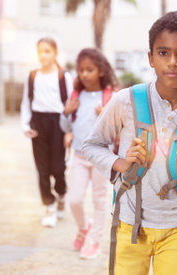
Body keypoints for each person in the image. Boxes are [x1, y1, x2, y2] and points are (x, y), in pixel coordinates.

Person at [82, 11, 177, 274]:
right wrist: (121, 162)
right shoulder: (125, 101)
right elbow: (91, 145)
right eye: (163, 53)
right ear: (150, 58)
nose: (172, 62)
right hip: (129, 225)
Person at [59, 48, 118, 258]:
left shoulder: (111, 98)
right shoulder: (76, 96)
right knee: (74, 199)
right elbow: (66, 128)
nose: (84, 74)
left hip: (101, 158)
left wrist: (106, 117)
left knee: (100, 200)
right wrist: (66, 112)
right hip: (80, 157)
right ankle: (84, 227)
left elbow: (117, 131)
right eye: (81, 70)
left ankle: (94, 242)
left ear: (101, 71)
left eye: (89, 70)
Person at [20, 37, 73, 228]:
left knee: (58, 167)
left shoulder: (63, 77)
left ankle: (61, 194)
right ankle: (49, 206)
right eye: (41, 51)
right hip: (38, 123)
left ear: (55, 53)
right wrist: (26, 126)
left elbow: (70, 106)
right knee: (42, 169)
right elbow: (26, 102)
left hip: (58, 123)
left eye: (48, 51)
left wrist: (69, 131)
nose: (44, 55)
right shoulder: (32, 76)